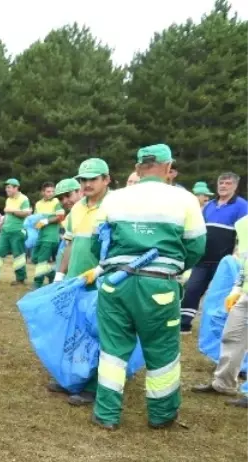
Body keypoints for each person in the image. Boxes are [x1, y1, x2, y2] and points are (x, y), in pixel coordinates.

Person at [83, 144, 205, 430]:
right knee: (162, 352)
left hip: (115, 285)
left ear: (138, 168)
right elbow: (197, 246)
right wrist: (171, 267)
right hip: (159, 287)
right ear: (168, 167)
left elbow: (94, 244)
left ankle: (106, 414)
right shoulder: (185, 199)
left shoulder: (114, 200)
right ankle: (162, 415)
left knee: (112, 351)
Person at [50, 160, 112, 404]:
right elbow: (70, 243)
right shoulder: (76, 209)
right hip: (77, 281)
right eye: (83, 180)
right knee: (75, 329)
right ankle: (73, 379)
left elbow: (118, 247)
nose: (87, 184)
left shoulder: (114, 206)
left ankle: (94, 386)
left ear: (106, 179)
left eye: (92, 179)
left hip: (102, 282)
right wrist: (60, 275)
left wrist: (100, 270)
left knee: (99, 332)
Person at [181, 172, 248, 334]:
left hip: (225, 262)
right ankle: (184, 325)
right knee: (191, 289)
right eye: (221, 183)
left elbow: (244, 233)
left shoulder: (242, 205)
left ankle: (217, 329)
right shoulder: (209, 205)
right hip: (203, 259)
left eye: (228, 183)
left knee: (220, 296)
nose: (223, 186)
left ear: (235, 186)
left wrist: (236, 255)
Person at [192, 215, 248, 405]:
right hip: (245, 296)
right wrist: (237, 288)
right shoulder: (245, 224)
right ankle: (224, 384)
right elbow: (244, 260)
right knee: (232, 336)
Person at [0, 178, 30, 284]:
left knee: (18, 255)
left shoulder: (24, 199)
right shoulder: (8, 199)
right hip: (5, 231)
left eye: (9, 187)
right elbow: (7, 214)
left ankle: (20, 279)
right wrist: (2, 223)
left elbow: (26, 213)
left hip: (17, 231)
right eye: (6, 187)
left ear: (16, 188)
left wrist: (12, 211)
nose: (6, 189)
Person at [31, 182, 66, 287]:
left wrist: (46, 221)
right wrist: (33, 225)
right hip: (39, 236)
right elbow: (35, 218)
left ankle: (37, 283)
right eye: (48, 191)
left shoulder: (56, 202)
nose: (51, 193)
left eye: (52, 191)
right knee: (35, 259)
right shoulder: (38, 204)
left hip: (50, 237)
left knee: (42, 261)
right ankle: (52, 274)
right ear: (42, 192)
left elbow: (61, 216)